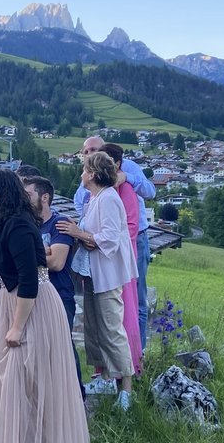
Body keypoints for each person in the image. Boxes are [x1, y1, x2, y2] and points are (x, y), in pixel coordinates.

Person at [0, 169, 88, 443]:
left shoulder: (19, 226)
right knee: (23, 385)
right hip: (18, 306)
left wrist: (16, 326)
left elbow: (30, 278)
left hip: (31, 310)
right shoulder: (10, 224)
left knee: (35, 385)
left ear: (2, 193)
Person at [57, 151, 137, 410]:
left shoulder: (109, 199)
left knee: (112, 329)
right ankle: (105, 378)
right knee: (94, 327)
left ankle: (126, 390)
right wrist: (78, 231)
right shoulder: (95, 199)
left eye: (83, 169)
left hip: (107, 275)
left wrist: (79, 233)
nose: (81, 174)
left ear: (92, 174)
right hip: (93, 274)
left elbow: (110, 239)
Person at [73, 135, 156, 349]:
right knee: (109, 306)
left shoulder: (127, 168)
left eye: (94, 150)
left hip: (133, 240)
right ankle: (114, 360)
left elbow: (150, 191)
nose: (90, 154)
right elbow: (80, 202)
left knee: (135, 298)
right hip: (102, 246)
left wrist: (127, 177)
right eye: (86, 152)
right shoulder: (91, 174)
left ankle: (138, 352)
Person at [22, 175, 84, 395]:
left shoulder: (60, 223)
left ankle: (77, 396)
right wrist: (42, 253)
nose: (23, 199)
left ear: (44, 197)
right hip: (30, 295)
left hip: (59, 294)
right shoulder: (24, 223)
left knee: (62, 347)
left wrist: (26, 255)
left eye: (28, 195)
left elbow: (57, 262)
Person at [103, 143, 143, 377]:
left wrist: (100, 241)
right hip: (106, 260)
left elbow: (130, 228)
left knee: (124, 312)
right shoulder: (100, 191)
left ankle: (128, 369)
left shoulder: (126, 190)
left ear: (117, 165)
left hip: (121, 262)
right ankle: (106, 371)